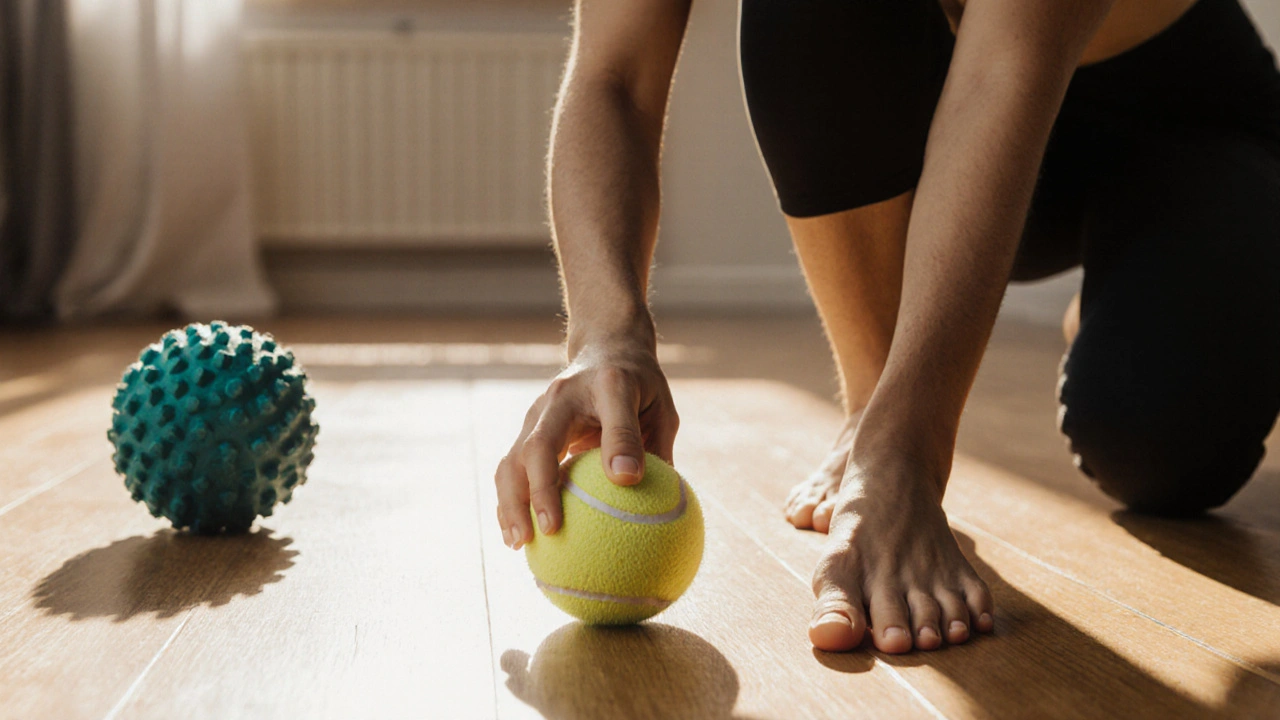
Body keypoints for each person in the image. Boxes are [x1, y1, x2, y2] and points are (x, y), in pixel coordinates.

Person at [493, 0, 1280, 654]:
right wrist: (607, 334)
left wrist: (912, 453)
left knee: (1164, 457)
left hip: (1182, 124)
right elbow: (614, 78)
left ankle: (919, 421)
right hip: (946, 122)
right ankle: (869, 408)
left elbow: (1007, 65)